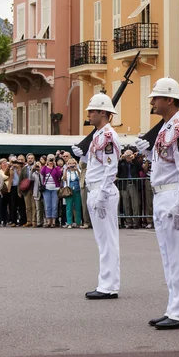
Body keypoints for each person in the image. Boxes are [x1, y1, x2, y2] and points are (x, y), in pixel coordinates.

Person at [135, 77, 179, 330]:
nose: (152, 101)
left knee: (178, 256)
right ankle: (174, 307)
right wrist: (148, 153)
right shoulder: (166, 128)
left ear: (169, 100)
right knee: (169, 257)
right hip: (162, 195)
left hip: (173, 196)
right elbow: (165, 161)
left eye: (156, 97)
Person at [71, 93, 121, 300]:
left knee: (107, 240)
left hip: (103, 190)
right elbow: (97, 164)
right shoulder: (98, 136)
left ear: (103, 112)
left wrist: (103, 193)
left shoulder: (108, 136)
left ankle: (109, 285)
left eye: (92, 111)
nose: (88, 114)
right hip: (95, 189)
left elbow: (111, 168)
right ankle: (105, 282)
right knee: (102, 240)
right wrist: (83, 155)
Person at [117, 149, 142, 228]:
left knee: (135, 204)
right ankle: (129, 222)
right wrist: (121, 159)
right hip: (124, 185)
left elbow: (140, 168)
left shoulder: (134, 162)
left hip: (133, 184)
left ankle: (136, 222)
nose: (128, 158)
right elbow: (117, 170)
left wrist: (133, 159)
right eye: (127, 156)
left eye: (129, 155)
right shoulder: (122, 163)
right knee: (126, 204)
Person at [40, 154, 62, 227]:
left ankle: (53, 222)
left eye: (52, 159)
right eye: (49, 159)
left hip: (55, 189)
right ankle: (48, 221)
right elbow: (42, 172)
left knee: (54, 205)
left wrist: (55, 166)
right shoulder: (45, 168)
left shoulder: (57, 168)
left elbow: (59, 175)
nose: (51, 161)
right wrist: (46, 164)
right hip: (46, 189)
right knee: (48, 205)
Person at [63, 158, 82, 228]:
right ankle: (69, 222)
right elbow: (64, 179)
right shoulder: (67, 172)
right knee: (69, 207)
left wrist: (76, 169)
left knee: (77, 207)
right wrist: (65, 170)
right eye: (70, 163)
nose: (71, 165)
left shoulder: (78, 171)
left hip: (77, 190)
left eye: (73, 163)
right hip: (69, 191)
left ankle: (78, 222)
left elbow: (81, 177)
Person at [20, 153, 36, 227]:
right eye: (29, 158)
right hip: (26, 189)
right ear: (27, 159)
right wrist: (19, 190)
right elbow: (21, 179)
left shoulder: (36, 166)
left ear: (34, 159)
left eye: (31, 158)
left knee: (34, 206)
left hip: (35, 188)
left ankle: (34, 221)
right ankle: (29, 221)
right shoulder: (24, 168)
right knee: (28, 206)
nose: (30, 159)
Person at [31, 161, 45, 227]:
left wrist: (41, 170)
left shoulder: (44, 171)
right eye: (36, 165)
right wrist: (32, 170)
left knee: (45, 208)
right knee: (38, 208)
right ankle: (39, 222)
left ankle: (45, 222)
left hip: (44, 191)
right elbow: (30, 179)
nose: (37, 166)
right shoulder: (34, 173)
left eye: (38, 164)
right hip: (37, 192)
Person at [78, 160, 91, 229]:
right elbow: (81, 165)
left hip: (94, 183)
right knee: (85, 204)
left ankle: (95, 222)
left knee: (95, 204)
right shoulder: (84, 156)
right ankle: (86, 222)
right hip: (84, 184)